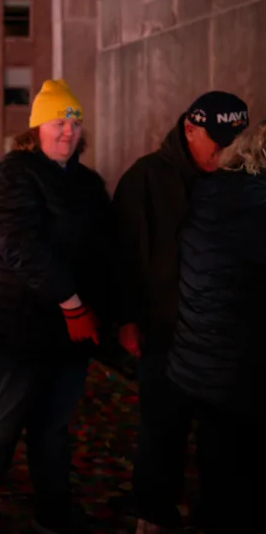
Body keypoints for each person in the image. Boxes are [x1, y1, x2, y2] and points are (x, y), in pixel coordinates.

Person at [0, 79, 112, 534]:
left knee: (52, 430)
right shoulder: (16, 172)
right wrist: (72, 303)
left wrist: (102, 307)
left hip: (65, 335)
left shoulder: (87, 182)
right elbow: (21, 245)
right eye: (58, 121)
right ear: (36, 129)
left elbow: (104, 248)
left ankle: (54, 512)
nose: (68, 131)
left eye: (75, 122)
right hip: (12, 330)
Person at [113, 90, 248, 533]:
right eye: (217, 138)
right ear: (190, 129)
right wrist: (126, 319)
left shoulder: (235, 180)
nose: (225, 149)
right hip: (164, 331)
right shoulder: (147, 177)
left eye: (234, 139)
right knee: (162, 430)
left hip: (217, 337)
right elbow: (121, 254)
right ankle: (153, 511)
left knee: (220, 439)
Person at [165, 118, 265, 534]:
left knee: (216, 464)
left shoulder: (207, 194)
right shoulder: (256, 208)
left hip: (201, 361)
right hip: (243, 367)